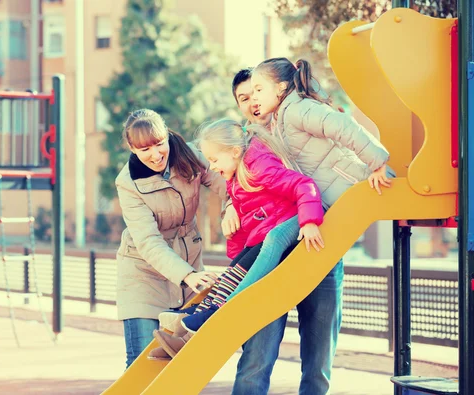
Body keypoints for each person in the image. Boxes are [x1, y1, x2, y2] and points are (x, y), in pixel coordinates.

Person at [228, 58, 392, 395]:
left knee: (319, 353)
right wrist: (230, 205)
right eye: (244, 98)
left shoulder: (294, 114)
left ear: (277, 89)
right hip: (282, 249)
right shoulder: (249, 141)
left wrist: (376, 162)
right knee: (257, 355)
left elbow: (339, 129)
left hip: (320, 233)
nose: (253, 101)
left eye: (257, 91)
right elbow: (235, 181)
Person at [151, 118, 325, 358]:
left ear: (234, 152)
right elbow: (248, 222)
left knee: (269, 243)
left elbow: (304, 185)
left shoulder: (259, 167)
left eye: (214, 160)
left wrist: (309, 221)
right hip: (265, 230)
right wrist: (237, 259)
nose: (211, 167)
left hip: (288, 224)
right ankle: (201, 314)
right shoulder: (236, 177)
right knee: (236, 268)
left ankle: (222, 309)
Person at [115, 108, 231, 368]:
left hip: (188, 263)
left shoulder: (190, 155)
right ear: (132, 149)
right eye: (145, 150)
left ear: (167, 135)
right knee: (143, 363)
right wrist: (186, 274)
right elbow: (148, 242)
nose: (155, 155)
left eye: (159, 144)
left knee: (183, 362)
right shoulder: (128, 183)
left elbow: (228, 182)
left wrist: (231, 206)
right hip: (143, 272)